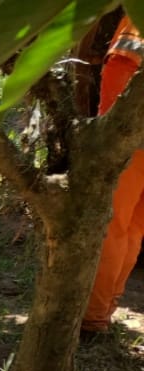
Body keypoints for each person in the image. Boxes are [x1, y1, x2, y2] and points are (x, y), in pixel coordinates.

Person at [82, 16, 144, 337]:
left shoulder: (138, 18)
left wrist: (108, 133)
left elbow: (120, 68)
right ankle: (105, 309)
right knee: (132, 226)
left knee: (113, 224)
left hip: (133, 143)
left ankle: (93, 318)